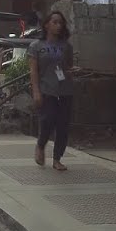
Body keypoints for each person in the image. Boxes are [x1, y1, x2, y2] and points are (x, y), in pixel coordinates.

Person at [28, 11, 75, 171]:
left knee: (63, 125)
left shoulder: (66, 46)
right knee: (47, 121)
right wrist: (36, 92)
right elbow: (33, 71)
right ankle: (41, 145)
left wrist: (70, 72)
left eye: (60, 23)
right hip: (47, 89)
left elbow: (68, 66)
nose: (58, 25)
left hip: (65, 90)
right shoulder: (36, 47)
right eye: (54, 22)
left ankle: (57, 158)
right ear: (47, 24)